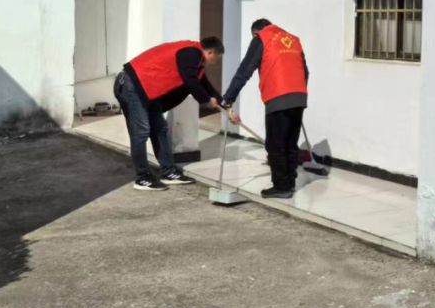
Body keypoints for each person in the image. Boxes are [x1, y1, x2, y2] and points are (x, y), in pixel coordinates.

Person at [223, 18, 322, 198]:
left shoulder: (261, 38)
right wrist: (298, 94)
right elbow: (305, 71)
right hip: (299, 96)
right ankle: (290, 184)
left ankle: (282, 187)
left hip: (278, 96)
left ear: (256, 32)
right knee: (290, 143)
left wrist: (228, 98)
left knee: (275, 144)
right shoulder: (293, 39)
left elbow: (245, 70)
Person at [115, 37, 225, 191]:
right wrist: (206, 100)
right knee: (141, 131)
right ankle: (142, 177)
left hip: (147, 90)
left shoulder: (196, 62)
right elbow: (190, 81)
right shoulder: (192, 52)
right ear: (211, 52)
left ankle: (168, 172)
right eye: (218, 58)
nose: (216, 62)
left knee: (160, 129)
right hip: (131, 84)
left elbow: (204, 84)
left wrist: (225, 105)